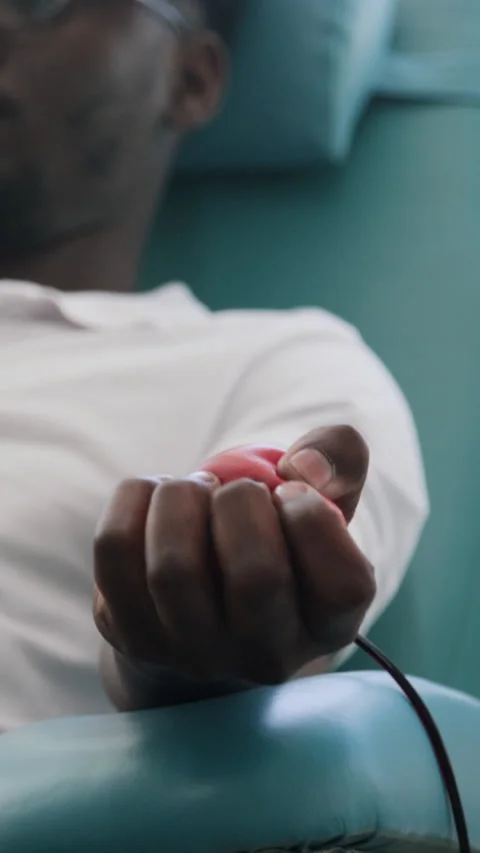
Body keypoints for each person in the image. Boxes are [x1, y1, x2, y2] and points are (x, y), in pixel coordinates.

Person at [0, 0, 428, 732]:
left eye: (38, 3)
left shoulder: (279, 363)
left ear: (191, 80)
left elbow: (275, 577)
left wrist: (178, 640)